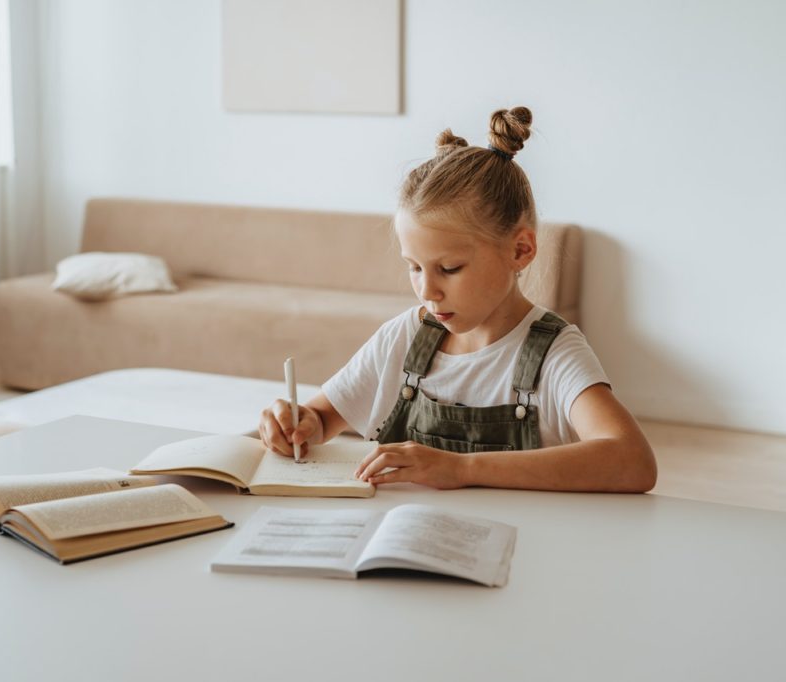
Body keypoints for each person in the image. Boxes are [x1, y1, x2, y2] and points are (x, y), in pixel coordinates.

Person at [259, 107, 657, 493]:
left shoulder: (555, 354)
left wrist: (461, 467)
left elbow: (633, 461)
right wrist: (300, 421)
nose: (427, 291)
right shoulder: (405, 337)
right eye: (414, 267)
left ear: (520, 250)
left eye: (448, 269)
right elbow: (324, 416)